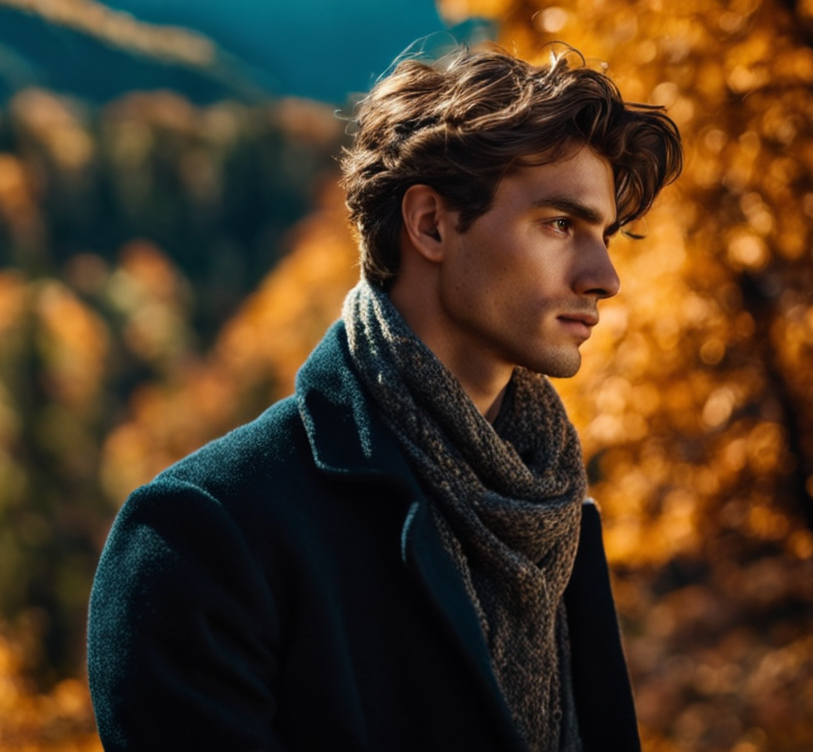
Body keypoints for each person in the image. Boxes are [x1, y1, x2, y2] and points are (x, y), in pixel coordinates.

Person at [87, 46, 683, 752]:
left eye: (605, 235)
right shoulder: (203, 536)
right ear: (430, 223)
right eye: (560, 224)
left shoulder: (549, 514)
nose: (605, 277)